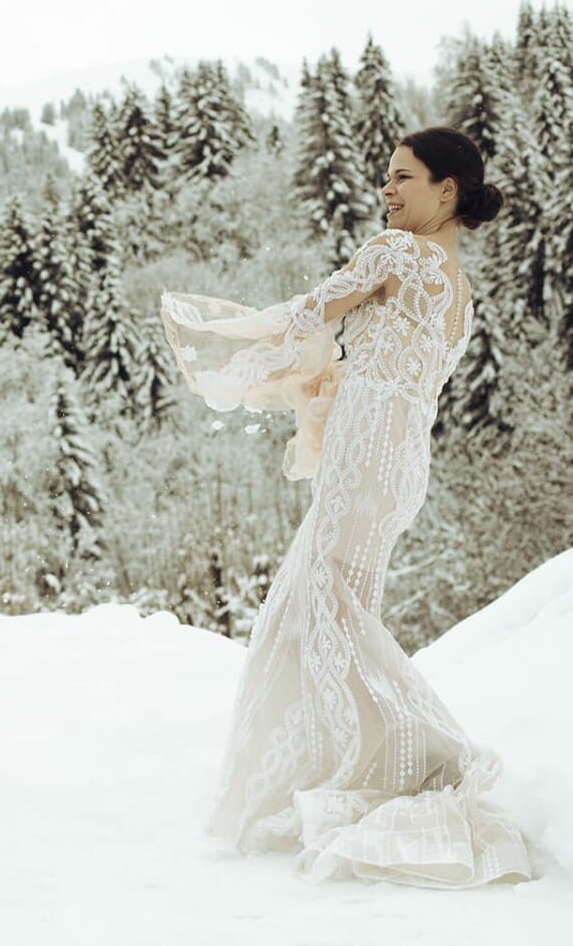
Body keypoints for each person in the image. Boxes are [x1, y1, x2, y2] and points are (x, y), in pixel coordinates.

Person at [159, 127, 531, 887]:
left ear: (446, 190)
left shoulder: (398, 254)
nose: (387, 191)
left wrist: (220, 349)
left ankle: (423, 749)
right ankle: (339, 763)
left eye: (402, 177)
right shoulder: (458, 288)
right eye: (385, 178)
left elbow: (308, 315)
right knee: (331, 607)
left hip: (369, 456)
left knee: (325, 609)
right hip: (397, 463)